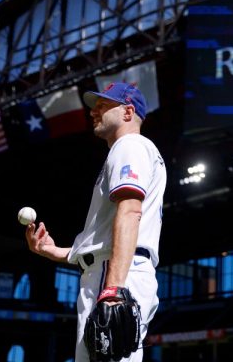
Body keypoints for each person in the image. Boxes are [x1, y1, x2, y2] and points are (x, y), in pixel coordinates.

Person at [25, 82, 166, 361]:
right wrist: (54, 251)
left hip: (114, 273)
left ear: (128, 112)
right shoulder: (132, 150)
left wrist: (113, 287)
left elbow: (130, 211)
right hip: (115, 268)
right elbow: (103, 240)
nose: (93, 112)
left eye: (103, 106)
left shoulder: (130, 145)